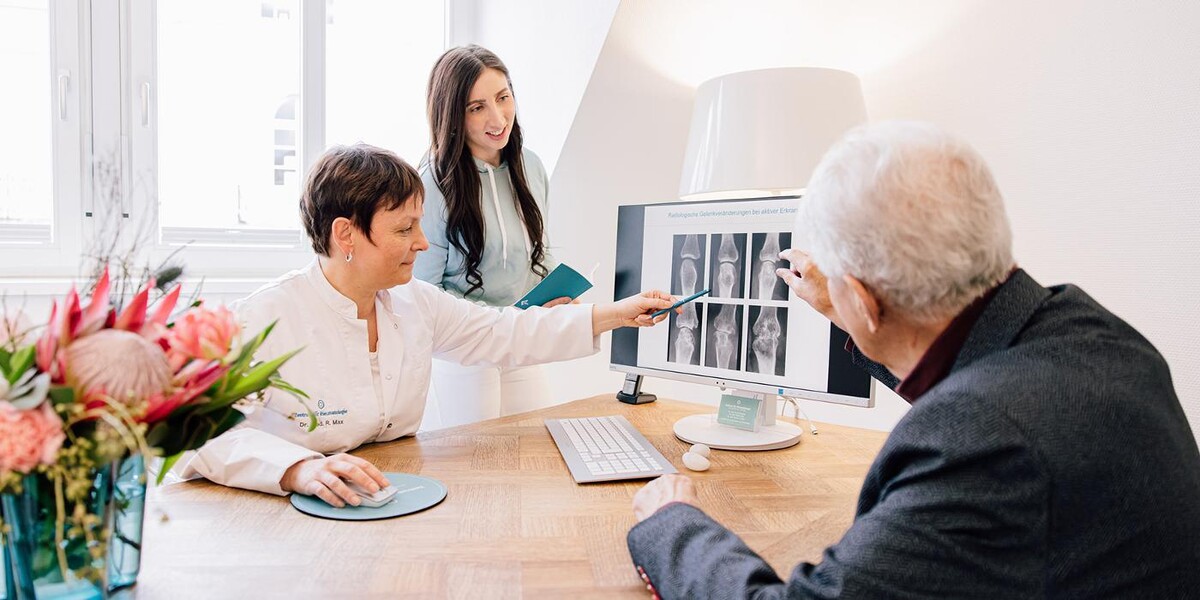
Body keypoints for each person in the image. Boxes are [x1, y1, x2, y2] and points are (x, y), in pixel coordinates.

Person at [625, 122, 1200, 598]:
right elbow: (982, 381)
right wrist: (840, 304)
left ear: (869, 301)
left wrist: (672, 524)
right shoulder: (1092, 335)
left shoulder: (981, 442)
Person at [179, 143, 674, 508]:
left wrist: (616, 313)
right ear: (345, 233)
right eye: (404, 229)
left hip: (387, 494)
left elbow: (502, 332)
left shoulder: (412, 301)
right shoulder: (261, 320)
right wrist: (297, 468)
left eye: (418, 224)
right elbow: (198, 437)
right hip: (277, 515)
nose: (422, 243)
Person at [414, 45, 564, 428]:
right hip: (466, 347)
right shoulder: (433, 180)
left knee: (536, 448)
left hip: (520, 339)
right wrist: (497, 320)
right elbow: (423, 290)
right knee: (476, 461)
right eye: (476, 107)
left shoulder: (531, 166)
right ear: (452, 115)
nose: (497, 118)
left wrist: (553, 296)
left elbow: (538, 258)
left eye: (503, 98)